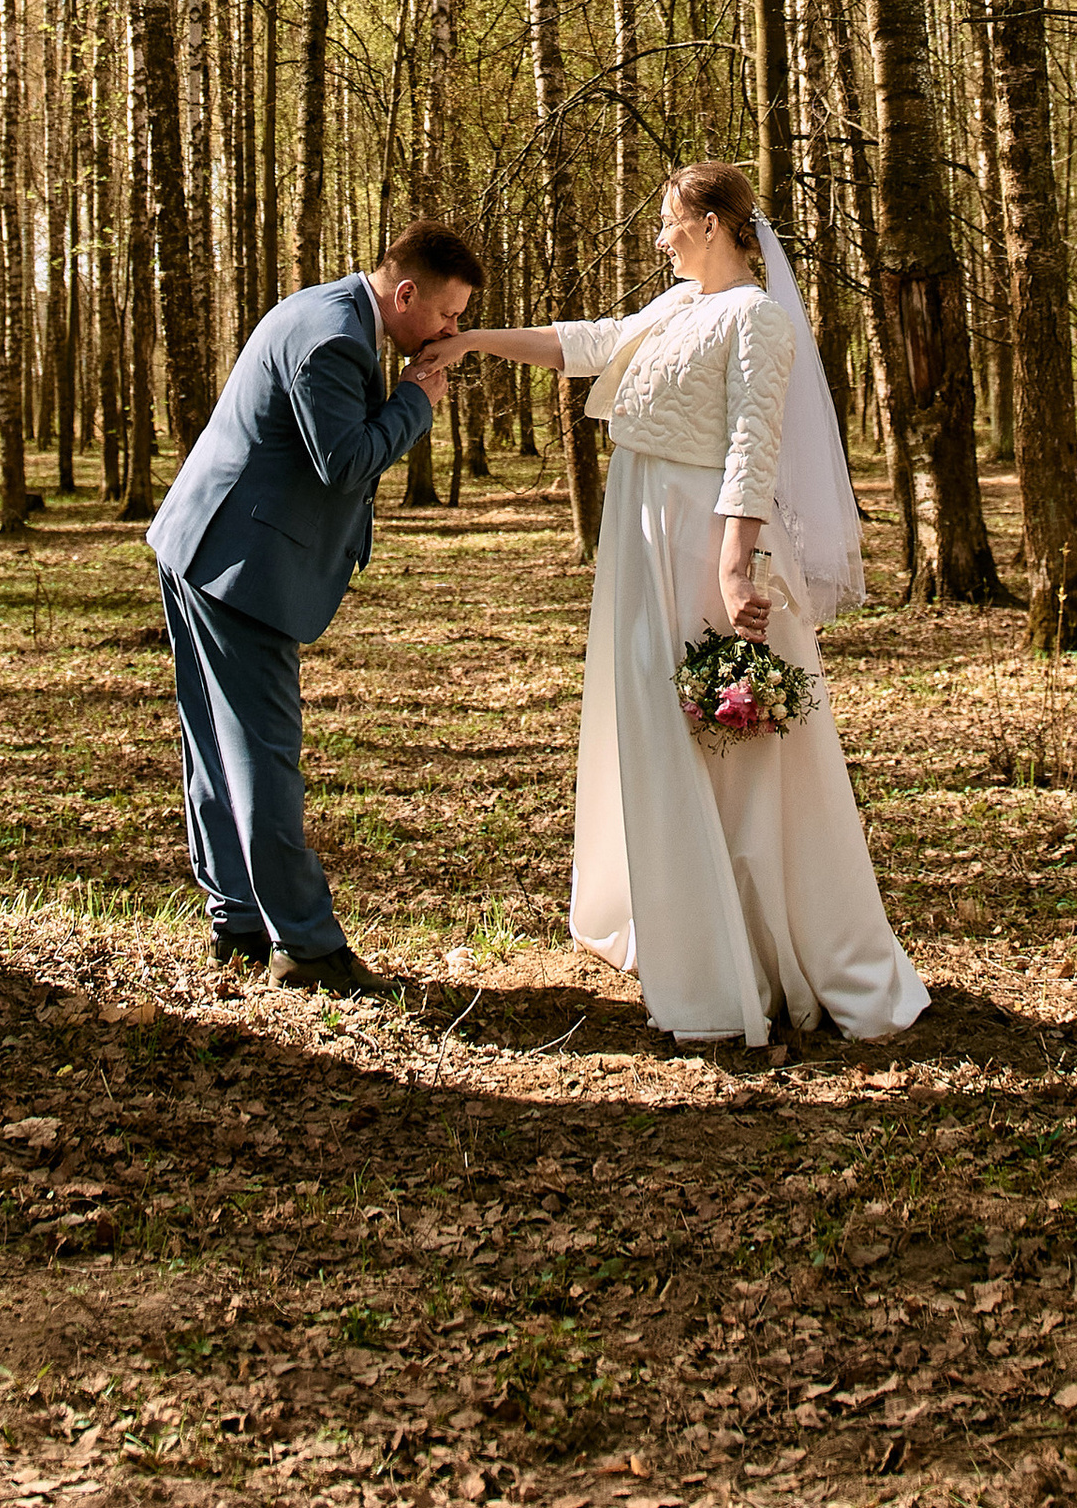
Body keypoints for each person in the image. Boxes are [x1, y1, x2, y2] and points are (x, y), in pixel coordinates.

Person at [456, 160, 926, 1053]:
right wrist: (477, 341)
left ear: (712, 224)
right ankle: (689, 929)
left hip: (701, 543)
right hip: (643, 543)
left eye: (672, 221)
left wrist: (735, 566)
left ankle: (752, 955)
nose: (662, 236)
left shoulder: (757, 319)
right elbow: (586, 342)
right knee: (660, 729)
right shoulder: (676, 308)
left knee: (731, 747)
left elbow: (753, 445)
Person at [147, 220, 478, 994]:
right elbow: (345, 460)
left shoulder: (334, 311)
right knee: (261, 753)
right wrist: (415, 401)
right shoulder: (334, 338)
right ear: (405, 295)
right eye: (447, 314)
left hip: (208, 543)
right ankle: (306, 945)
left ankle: (237, 922)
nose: (451, 330)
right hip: (238, 565)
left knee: (216, 746)